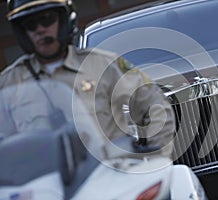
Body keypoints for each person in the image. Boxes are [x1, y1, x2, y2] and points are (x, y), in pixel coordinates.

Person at [0, 0, 175, 160]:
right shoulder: (10, 82)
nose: (39, 29)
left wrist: (157, 159)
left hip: (113, 179)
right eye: (30, 25)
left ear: (64, 20)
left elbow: (155, 105)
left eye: (47, 19)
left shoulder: (104, 65)